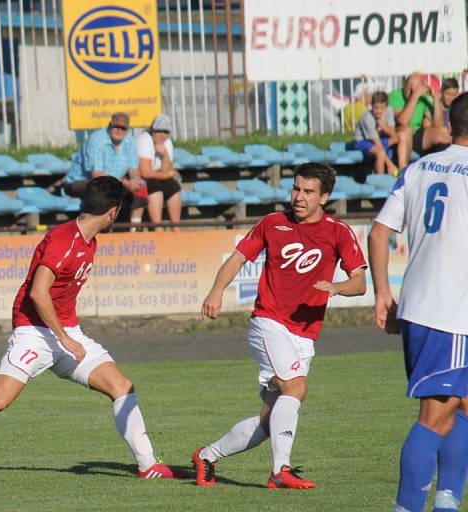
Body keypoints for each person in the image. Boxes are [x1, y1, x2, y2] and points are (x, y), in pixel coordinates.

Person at [0, 176, 181, 482]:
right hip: (34, 332)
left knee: (121, 386)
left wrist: (68, 335)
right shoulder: (63, 240)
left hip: (65, 333)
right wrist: (65, 338)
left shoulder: (87, 240)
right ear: (112, 213)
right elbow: (38, 293)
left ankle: (147, 463)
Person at [193, 162, 367, 489]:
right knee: (296, 387)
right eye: (296, 189)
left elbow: (360, 283)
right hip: (268, 322)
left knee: (270, 422)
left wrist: (337, 287)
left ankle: (206, 456)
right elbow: (237, 259)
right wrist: (216, 291)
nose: (298, 197)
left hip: (304, 336)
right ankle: (280, 470)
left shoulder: (338, 231)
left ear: (325, 197)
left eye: (308, 192)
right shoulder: (273, 223)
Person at [368, 92, 468, 512]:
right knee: (436, 416)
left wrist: (383, 294)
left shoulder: (416, 169)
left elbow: (377, 233)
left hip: (421, 308)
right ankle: (407, 507)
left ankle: (447, 501)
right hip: (452, 313)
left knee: (463, 405)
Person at [63, 112, 148, 226]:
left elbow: (133, 169)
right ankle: (100, 231)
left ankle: (135, 229)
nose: (119, 130)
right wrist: (125, 183)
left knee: (141, 187)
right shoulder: (97, 140)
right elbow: (97, 175)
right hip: (78, 182)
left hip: (113, 181)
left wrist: (135, 181)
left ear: (127, 130)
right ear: (110, 125)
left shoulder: (130, 141)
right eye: (116, 126)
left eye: (123, 128)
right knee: (103, 190)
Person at [136, 114, 182, 231]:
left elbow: (165, 170)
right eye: (158, 131)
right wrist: (167, 175)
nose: (162, 135)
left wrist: (165, 155)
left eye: (165, 132)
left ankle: (176, 229)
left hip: (155, 175)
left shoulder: (167, 142)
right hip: (138, 177)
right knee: (154, 185)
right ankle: (158, 229)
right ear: (153, 130)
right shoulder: (145, 139)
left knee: (174, 186)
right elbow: (145, 172)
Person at [390, 73, 451, 161]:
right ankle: (404, 170)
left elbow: (438, 123)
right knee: (407, 130)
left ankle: (445, 165)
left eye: (415, 88)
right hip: (398, 134)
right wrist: (414, 96)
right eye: (410, 87)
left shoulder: (422, 97)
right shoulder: (395, 96)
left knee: (443, 132)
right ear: (404, 85)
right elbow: (402, 121)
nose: (412, 91)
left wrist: (435, 98)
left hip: (416, 135)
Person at [353, 91, 407, 176]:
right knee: (380, 153)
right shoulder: (367, 118)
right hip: (363, 141)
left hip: (379, 139)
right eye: (376, 107)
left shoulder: (389, 110)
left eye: (382, 107)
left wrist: (384, 126)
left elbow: (393, 134)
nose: (379, 111)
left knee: (402, 136)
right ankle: (380, 179)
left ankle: (402, 169)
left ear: (386, 106)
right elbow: (377, 144)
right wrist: (390, 165)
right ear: (371, 106)